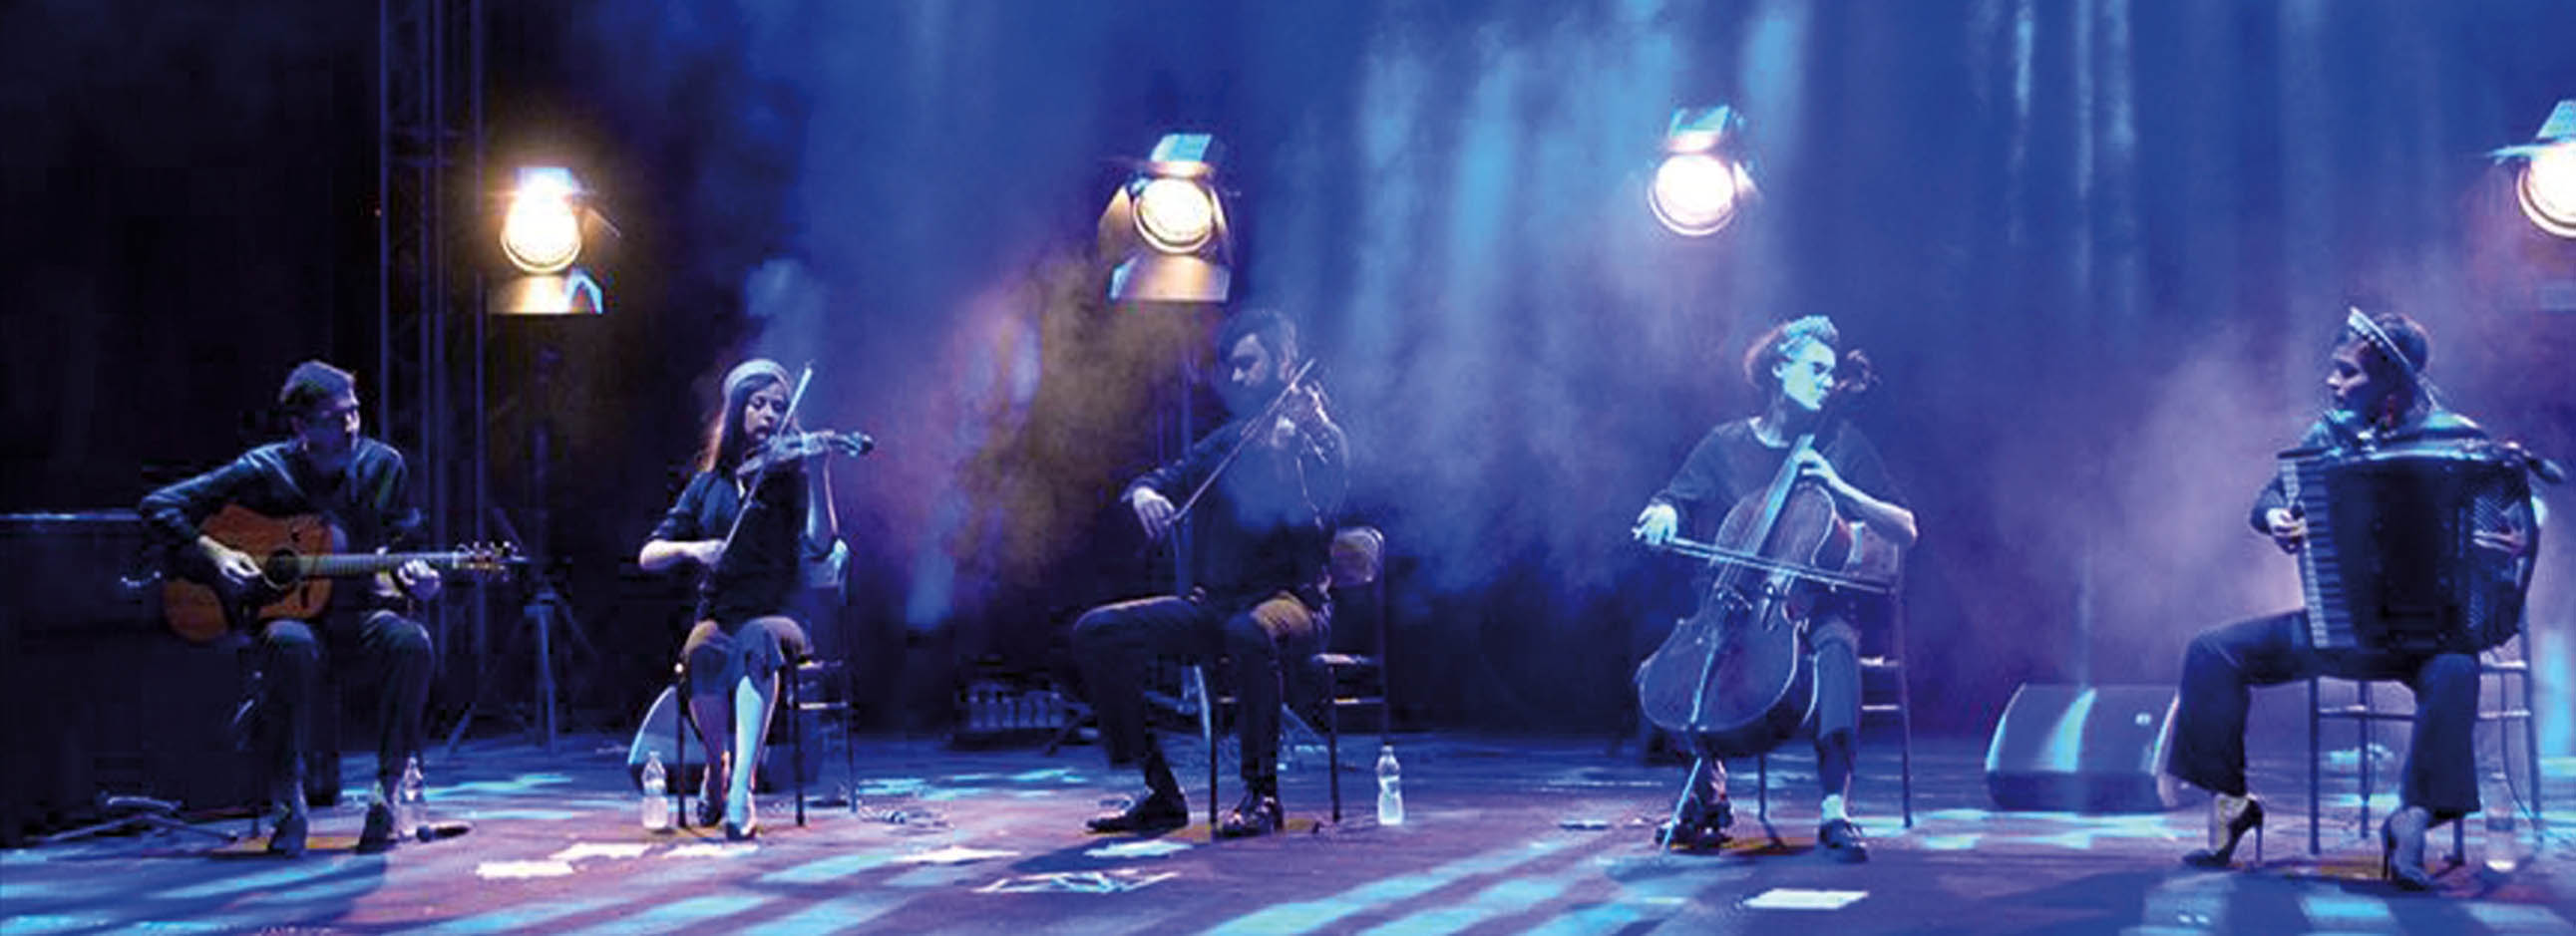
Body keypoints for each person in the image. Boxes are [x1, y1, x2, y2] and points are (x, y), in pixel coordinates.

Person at [2164, 309, 2539, 889]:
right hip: (2341, 625)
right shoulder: (2330, 436)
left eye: (2347, 372)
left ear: (2392, 382)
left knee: (2456, 672)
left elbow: (2521, 507)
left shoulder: (2457, 439)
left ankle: (2413, 819)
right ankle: (2231, 805)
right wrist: (2278, 517)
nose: (2332, 382)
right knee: (2212, 650)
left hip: (2432, 636)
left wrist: (2513, 536)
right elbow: (2269, 498)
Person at [1632, 315, 1917, 861]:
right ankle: (1709, 794)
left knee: (1836, 649)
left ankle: (1834, 810)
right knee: (1657, 674)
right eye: (1816, 370)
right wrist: (1662, 514)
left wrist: (1838, 486)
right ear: (1780, 368)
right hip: (1736, 607)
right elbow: (1673, 498)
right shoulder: (1724, 444)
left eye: (1832, 374)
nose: (1827, 382)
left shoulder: (1842, 443)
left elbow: (1905, 527)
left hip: (1818, 605)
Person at [140, 360, 439, 856]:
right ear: (301, 427)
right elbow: (159, 506)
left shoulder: (383, 467)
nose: (350, 426)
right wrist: (214, 551)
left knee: (411, 642)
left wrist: (419, 581)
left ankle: (385, 793)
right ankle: (288, 799)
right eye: (334, 418)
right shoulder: (264, 470)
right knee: (287, 643)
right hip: (286, 618)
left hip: (357, 615)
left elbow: (404, 547)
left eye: (354, 412)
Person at [1073, 309, 1349, 838]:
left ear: (1285, 364)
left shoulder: (1320, 440)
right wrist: (1145, 494)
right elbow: (1167, 477)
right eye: (1234, 367)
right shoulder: (1231, 440)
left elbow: (1324, 511)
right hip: (1218, 605)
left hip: (1295, 604)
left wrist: (1296, 450)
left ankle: (1262, 796)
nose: (1238, 376)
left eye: (1250, 364)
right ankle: (1160, 792)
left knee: (1249, 631)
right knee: (1098, 631)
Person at [638, 358, 848, 840]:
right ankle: (718, 766)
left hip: (782, 615)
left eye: (778, 406)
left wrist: (819, 472)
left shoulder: (791, 481)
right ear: (736, 411)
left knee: (756, 640)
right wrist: (693, 549)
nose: (770, 414)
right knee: (701, 651)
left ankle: (741, 790)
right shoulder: (707, 486)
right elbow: (649, 555)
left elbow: (820, 545)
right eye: (759, 404)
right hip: (721, 611)